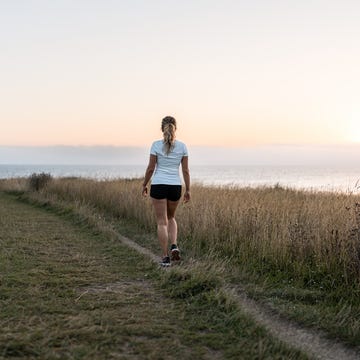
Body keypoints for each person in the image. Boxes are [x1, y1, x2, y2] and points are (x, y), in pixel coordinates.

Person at [142, 116, 191, 267]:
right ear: (176, 128)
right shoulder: (182, 146)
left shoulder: (156, 145)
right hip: (175, 186)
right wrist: (188, 189)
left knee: (161, 222)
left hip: (158, 185)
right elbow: (185, 170)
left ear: (161, 128)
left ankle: (165, 257)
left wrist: (144, 184)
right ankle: (174, 245)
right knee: (171, 217)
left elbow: (151, 168)